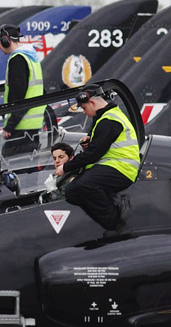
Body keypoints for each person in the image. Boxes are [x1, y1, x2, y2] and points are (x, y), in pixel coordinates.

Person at [57, 86, 139, 232]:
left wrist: (66, 167)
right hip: (109, 164)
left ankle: (116, 226)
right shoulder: (103, 118)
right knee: (71, 192)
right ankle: (104, 216)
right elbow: (99, 147)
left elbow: (93, 154)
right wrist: (90, 142)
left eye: (84, 108)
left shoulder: (109, 121)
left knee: (86, 185)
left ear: (93, 103)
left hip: (122, 167)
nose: (84, 112)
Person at [0, 24, 44, 156]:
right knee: (29, 171)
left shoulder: (17, 59)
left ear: (6, 41)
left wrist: (10, 125)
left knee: (8, 165)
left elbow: (18, 95)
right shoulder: (31, 57)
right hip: (33, 126)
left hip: (21, 126)